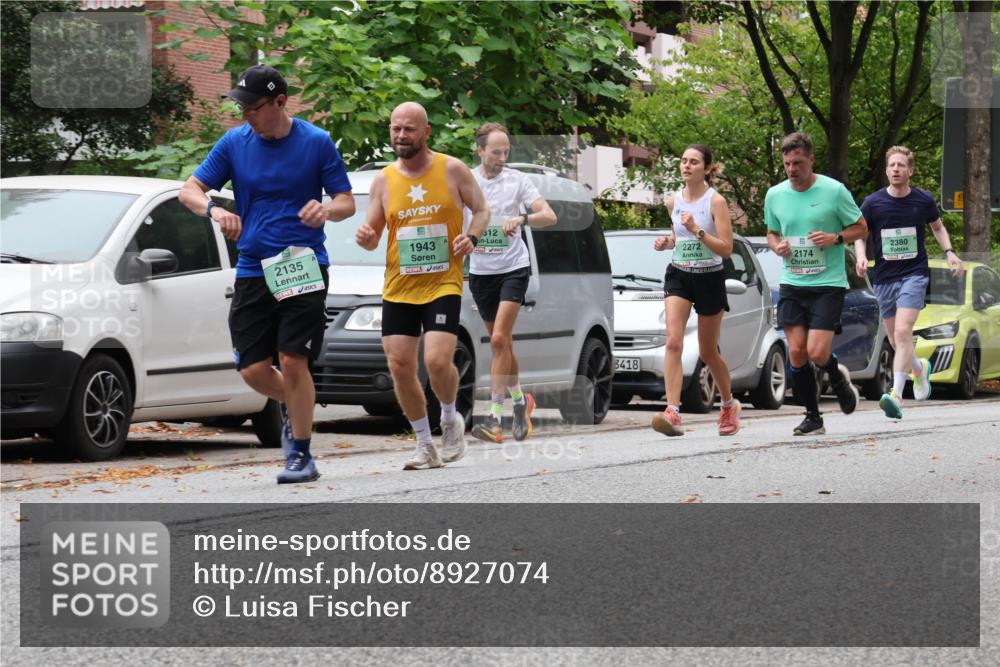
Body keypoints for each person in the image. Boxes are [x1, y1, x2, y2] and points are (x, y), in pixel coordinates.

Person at [180, 65, 355, 484]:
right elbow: (189, 190)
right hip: (254, 265)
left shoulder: (315, 142)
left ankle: (301, 451)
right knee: (252, 370)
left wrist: (326, 210)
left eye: (252, 108)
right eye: (240, 107)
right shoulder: (234, 143)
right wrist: (215, 210)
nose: (245, 116)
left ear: (280, 102)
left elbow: (346, 201)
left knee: (294, 359)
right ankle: (300, 406)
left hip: (302, 261)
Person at [355, 102, 490, 470]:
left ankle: (449, 417)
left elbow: (481, 209)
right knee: (399, 364)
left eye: (409, 129)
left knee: (435, 360)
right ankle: (423, 443)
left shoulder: (452, 169)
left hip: (443, 281)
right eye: (395, 128)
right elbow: (372, 235)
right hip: (399, 286)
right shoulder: (383, 179)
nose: (401, 135)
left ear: (425, 131)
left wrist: (472, 237)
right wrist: (366, 236)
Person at [765, 131, 867, 436]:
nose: (792, 169)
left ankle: (837, 377)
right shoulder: (775, 195)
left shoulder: (834, 191)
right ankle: (813, 417)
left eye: (797, 162)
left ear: (811, 159)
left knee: (817, 352)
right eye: (787, 164)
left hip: (827, 283)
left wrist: (834, 238)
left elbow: (861, 227)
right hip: (793, 282)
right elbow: (771, 232)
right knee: (796, 352)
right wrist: (776, 246)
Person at [855, 146, 964, 419]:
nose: (895, 169)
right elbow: (859, 233)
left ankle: (896, 394)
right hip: (884, 278)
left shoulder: (922, 200)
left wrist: (950, 252)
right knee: (895, 339)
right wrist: (859, 256)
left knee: (904, 332)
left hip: (914, 275)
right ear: (886, 170)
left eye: (901, 165)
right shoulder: (873, 203)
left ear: (910, 171)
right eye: (891, 165)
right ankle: (919, 369)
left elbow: (937, 227)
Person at [466, 123, 557, 444]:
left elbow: (549, 215)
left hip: (513, 268)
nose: (502, 157)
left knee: (500, 338)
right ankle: (521, 402)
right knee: (501, 343)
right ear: (480, 150)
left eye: (506, 151)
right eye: (496, 151)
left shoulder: (518, 181)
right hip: (480, 272)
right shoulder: (468, 180)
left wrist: (523, 219)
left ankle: (494, 416)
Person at [651, 145, 741, 437]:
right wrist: (669, 241)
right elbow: (680, 236)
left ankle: (728, 404)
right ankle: (673, 411)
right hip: (679, 274)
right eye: (684, 161)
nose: (687, 166)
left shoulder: (715, 202)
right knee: (673, 342)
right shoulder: (672, 201)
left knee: (707, 350)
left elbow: (726, 249)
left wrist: (699, 231)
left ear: (706, 168)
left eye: (694, 162)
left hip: (709, 277)